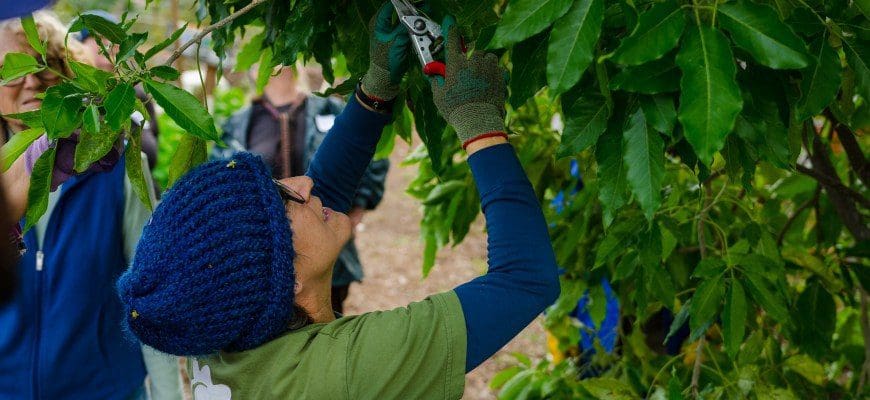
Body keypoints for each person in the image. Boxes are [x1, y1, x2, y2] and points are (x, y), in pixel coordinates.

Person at [117, 5, 560, 398]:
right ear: (285, 282)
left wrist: (374, 92)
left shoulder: (222, 319)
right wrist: (479, 125)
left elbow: (315, 199)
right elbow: (526, 280)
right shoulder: (342, 373)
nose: (303, 184)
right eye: (286, 200)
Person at [0, 12, 181, 400]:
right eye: (13, 71)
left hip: (104, 389)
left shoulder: (110, 166)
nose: (31, 80)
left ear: (70, 76)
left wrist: (168, 393)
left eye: (48, 66)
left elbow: (150, 285)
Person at [213, 67, 389, 313]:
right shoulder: (239, 123)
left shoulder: (327, 108)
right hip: (267, 259)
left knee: (329, 307)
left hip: (323, 231)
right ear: (252, 70)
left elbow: (364, 158)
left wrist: (358, 209)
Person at [74, 9, 161, 175]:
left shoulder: (135, 93)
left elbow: (153, 140)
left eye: (116, 39)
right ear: (79, 44)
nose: (110, 45)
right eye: (101, 37)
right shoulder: (73, 98)